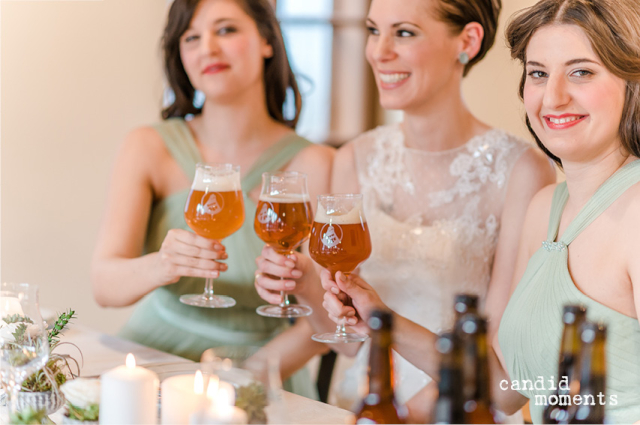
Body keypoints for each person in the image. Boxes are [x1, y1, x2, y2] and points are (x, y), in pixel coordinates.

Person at [322, 0, 640, 423]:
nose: (553, 96)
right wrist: (383, 319)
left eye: (581, 71)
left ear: (631, 81)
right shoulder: (546, 207)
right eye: (538, 74)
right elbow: (504, 386)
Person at [253, 0, 556, 416]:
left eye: (405, 33)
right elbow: (347, 343)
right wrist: (305, 282)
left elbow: (505, 381)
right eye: (374, 30)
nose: (379, 51)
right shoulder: (354, 159)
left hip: (459, 410)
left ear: (467, 41)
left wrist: (402, 408)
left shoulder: (522, 171)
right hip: (356, 405)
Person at [91, 0, 333, 398]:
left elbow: (327, 321)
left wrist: (245, 377)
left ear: (268, 40)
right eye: (192, 37)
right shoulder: (148, 146)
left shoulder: (318, 163)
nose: (208, 48)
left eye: (226, 30)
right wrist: (162, 266)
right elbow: (103, 283)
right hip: (154, 354)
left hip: (265, 367)